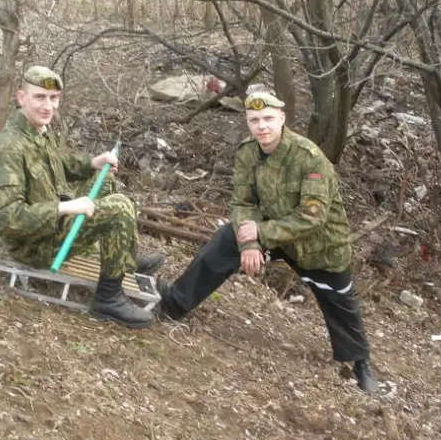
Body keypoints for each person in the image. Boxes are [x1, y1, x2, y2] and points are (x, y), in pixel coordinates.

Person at [156, 91, 380, 394]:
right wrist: (249, 244)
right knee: (225, 241)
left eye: (268, 119)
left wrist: (260, 234)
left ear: (282, 119)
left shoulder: (308, 157)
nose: (262, 126)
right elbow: (243, 202)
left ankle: (360, 363)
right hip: (272, 232)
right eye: (255, 120)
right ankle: (173, 305)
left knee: (339, 300)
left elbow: (312, 218)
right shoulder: (248, 151)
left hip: (318, 244)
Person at [0, 66, 165, 329]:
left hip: (51, 226)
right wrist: (64, 207)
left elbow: (57, 163)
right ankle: (109, 298)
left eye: (53, 98)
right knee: (120, 207)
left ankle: (122, 259)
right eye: (39, 97)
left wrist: (92, 163)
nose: (48, 106)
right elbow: (6, 217)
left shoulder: (36, 130)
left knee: (104, 180)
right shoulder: (11, 147)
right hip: (35, 245)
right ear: (21, 98)